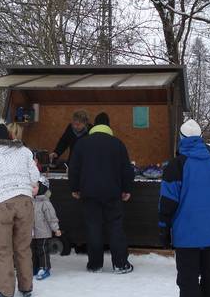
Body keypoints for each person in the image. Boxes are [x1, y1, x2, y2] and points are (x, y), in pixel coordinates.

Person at [158, 119, 210, 297]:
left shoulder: (175, 166)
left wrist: (163, 230)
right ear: (201, 137)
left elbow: (167, 203)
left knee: (188, 283)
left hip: (186, 236)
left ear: (181, 139)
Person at [0, 118, 40, 297]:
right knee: (23, 247)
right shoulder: (24, 151)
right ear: (8, 136)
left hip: (3, 203)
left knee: (3, 249)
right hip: (25, 201)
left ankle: (6, 292)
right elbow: (35, 176)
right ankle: (26, 287)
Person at [68, 112, 135, 274]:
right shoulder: (117, 144)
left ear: (93, 126)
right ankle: (120, 263)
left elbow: (74, 168)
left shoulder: (82, 144)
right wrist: (127, 189)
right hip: (113, 193)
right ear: (108, 126)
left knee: (93, 227)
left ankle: (95, 264)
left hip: (89, 193)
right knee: (115, 227)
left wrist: (74, 188)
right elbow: (126, 169)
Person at [31, 177, 62, 280]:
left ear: (42, 188)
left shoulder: (45, 203)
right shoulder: (30, 201)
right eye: (30, 187)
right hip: (32, 233)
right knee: (33, 251)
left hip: (43, 232)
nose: (31, 189)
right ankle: (34, 267)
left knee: (42, 250)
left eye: (34, 187)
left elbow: (51, 218)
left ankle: (44, 268)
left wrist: (56, 229)